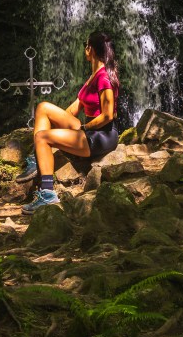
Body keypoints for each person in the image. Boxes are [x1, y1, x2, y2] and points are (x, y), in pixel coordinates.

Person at [20, 31, 120, 214]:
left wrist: (83, 128)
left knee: (43, 137)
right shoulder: (93, 76)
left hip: (102, 135)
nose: (84, 49)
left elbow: (107, 116)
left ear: (91, 49)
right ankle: (37, 158)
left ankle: (48, 193)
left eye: (86, 45)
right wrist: (58, 126)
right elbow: (73, 110)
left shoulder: (104, 78)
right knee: (43, 107)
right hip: (89, 130)